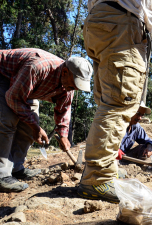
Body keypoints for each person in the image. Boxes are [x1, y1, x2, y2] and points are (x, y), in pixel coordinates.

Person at [78, 0, 152, 203]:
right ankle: (96, 178)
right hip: (123, 20)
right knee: (119, 102)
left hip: (99, 19)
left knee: (108, 100)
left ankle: (106, 167)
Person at [0, 48, 93, 192]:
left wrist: (63, 135)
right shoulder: (37, 67)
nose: (74, 88)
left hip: (24, 85)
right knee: (7, 121)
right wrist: (36, 128)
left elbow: (63, 110)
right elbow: (13, 98)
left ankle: (16, 167)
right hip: (4, 75)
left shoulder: (68, 87)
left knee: (29, 125)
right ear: (65, 72)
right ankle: (1, 174)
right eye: (75, 82)